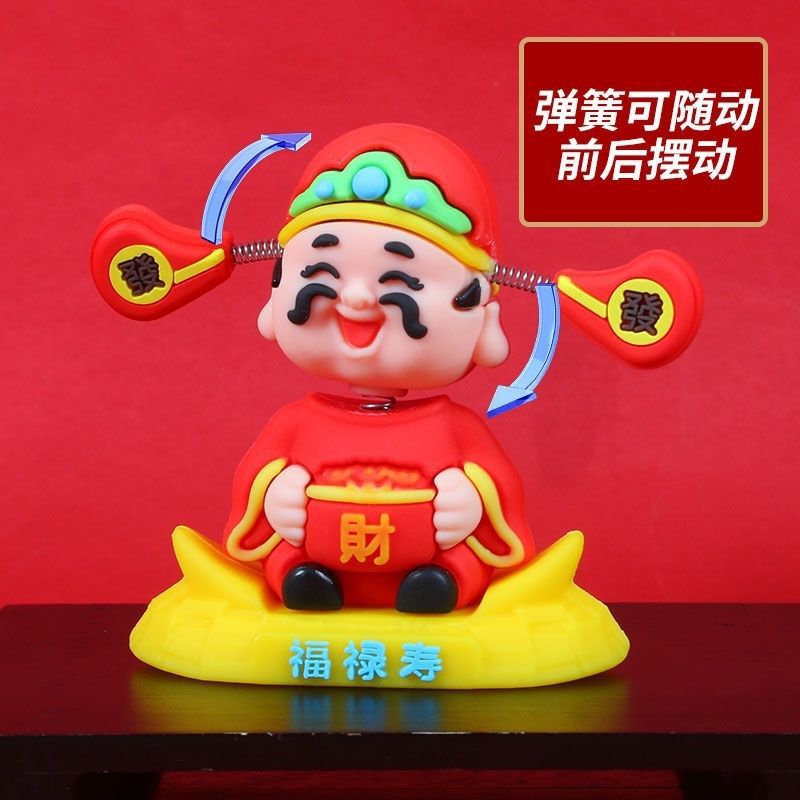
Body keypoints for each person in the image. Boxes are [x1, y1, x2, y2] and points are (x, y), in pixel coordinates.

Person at [223, 123, 534, 613]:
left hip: (428, 559)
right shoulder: (294, 426)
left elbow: (499, 493)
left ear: (481, 315)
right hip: (318, 554)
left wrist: (472, 502)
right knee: (288, 556)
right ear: (275, 292)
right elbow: (255, 483)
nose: (356, 298)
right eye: (321, 271)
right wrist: (276, 497)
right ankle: (304, 580)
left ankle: (442, 583)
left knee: (460, 561)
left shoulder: (456, 430)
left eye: (399, 279)